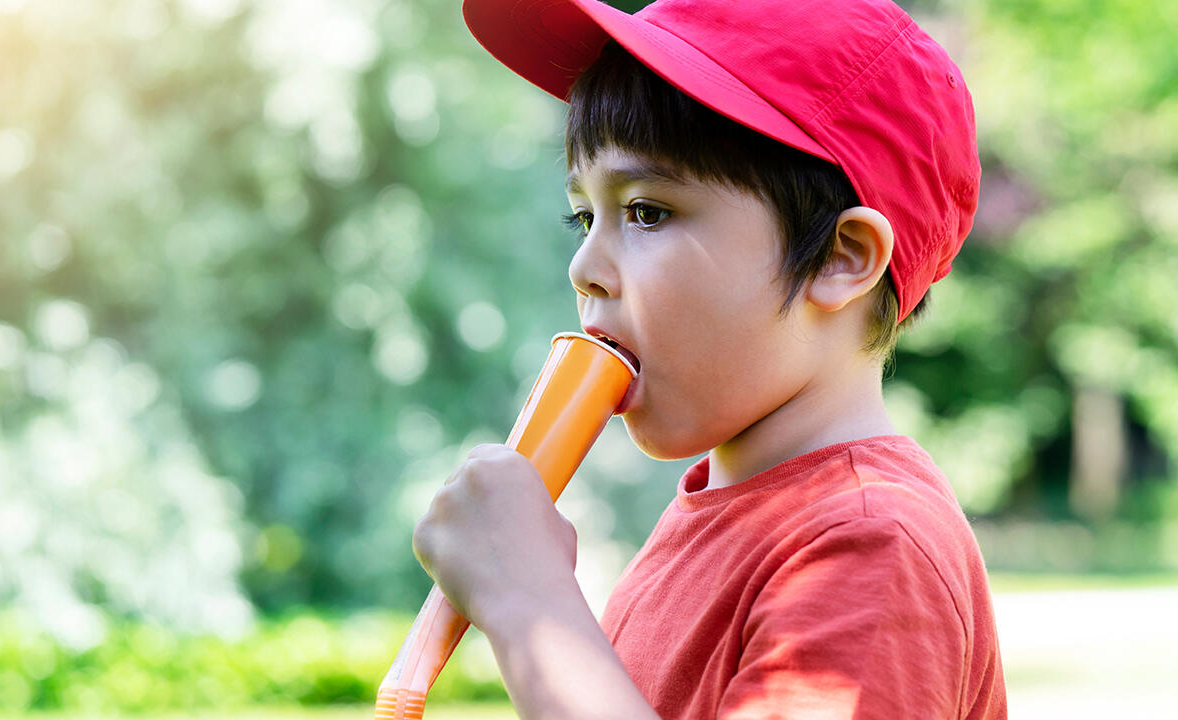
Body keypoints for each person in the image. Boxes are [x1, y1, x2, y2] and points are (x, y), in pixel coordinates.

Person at [411, 0, 1007, 717]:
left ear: (841, 259)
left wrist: (531, 606)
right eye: (583, 215)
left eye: (647, 211)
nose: (582, 265)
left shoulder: (869, 543)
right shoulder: (719, 514)